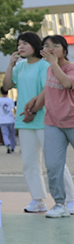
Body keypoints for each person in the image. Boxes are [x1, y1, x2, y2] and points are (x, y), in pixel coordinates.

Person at [2, 32, 74, 213]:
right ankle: (38, 198)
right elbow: (7, 86)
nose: (21, 47)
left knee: (56, 163)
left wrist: (33, 111)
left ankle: (70, 198)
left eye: (25, 43)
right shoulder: (20, 66)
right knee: (30, 162)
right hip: (24, 119)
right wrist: (10, 65)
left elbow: (47, 91)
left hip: (44, 119)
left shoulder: (46, 65)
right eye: (19, 44)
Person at [37, 35, 74, 217]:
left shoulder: (70, 68)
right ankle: (60, 204)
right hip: (52, 122)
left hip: (72, 121)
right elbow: (48, 90)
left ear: (65, 50)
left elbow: (67, 83)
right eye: (46, 46)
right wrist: (34, 104)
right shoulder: (50, 69)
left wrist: (53, 63)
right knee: (53, 165)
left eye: (55, 46)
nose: (50, 49)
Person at [0, 89, 16, 154]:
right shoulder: (10, 100)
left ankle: (7, 144)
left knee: (5, 134)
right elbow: (13, 108)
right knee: (12, 134)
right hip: (11, 119)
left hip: (3, 120)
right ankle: (12, 147)